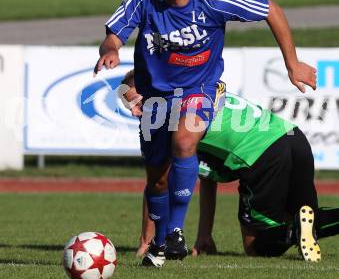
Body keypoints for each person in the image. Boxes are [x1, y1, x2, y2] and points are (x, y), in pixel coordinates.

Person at [94, 0, 317, 268]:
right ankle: (157, 244)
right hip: (157, 99)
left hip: (199, 90)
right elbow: (114, 34)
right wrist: (110, 50)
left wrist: (292, 63)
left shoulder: (213, 1)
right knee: (156, 179)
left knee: (185, 142)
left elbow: (271, 9)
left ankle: (174, 233)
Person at [120, 76, 339, 263]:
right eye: (130, 107)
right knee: (310, 219)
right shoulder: (196, 92)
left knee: (256, 246)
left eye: (138, 102)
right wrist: (204, 234)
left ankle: (294, 231)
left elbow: (158, 184)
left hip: (261, 152)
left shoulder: (169, 120)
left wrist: (147, 242)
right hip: (293, 137)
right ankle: (301, 227)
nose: (135, 112)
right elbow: (207, 178)